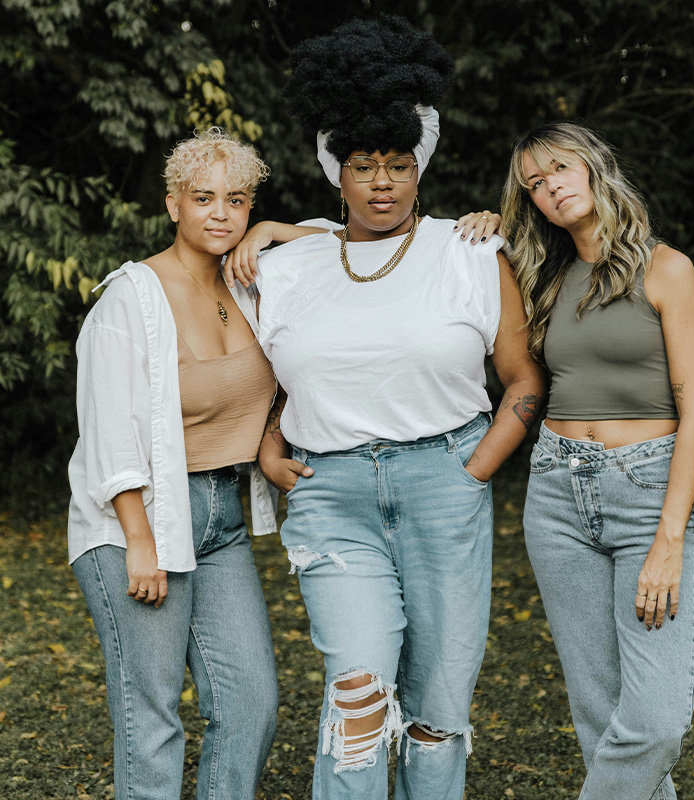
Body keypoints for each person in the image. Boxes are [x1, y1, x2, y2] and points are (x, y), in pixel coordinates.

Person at [225, 16, 545, 800]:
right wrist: (268, 443)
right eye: (363, 166)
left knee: (438, 708)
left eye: (398, 165)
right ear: (336, 173)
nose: (381, 183)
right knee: (358, 693)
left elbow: (524, 382)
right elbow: (274, 379)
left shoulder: (470, 252)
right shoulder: (285, 266)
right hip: (331, 498)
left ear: (418, 170)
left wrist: (474, 471)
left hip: (445, 487)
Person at [501, 121, 694, 799]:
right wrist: (276, 231)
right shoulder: (544, 276)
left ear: (594, 166)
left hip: (649, 491)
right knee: (600, 713)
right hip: (557, 495)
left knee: (653, 722)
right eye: (534, 183)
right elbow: (390, 237)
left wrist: (670, 540)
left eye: (560, 168)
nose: (550, 188)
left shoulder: (667, 269)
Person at [67, 128, 282, 800]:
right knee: (152, 714)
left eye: (237, 200)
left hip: (221, 517)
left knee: (251, 701)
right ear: (173, 205)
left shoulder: (251, 288)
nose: (220, 213)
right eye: (203, 197)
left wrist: (271, 231)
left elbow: (344, 242)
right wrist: (140, 540)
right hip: (138, 518)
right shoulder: (130, 299)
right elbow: (107, 431)